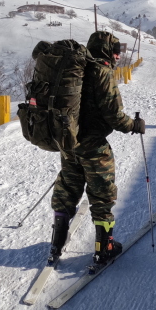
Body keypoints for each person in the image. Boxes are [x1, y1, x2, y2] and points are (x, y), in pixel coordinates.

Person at [49, 30, 145, 266]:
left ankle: (56, 245)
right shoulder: (102, 73)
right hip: (93, 147)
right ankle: (104, 248)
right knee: (102, 196)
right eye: (115, 52)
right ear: (108, 51)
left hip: (69, 143)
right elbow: (114, 116)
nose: (116, 58)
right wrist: (134, 125)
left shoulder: (76, 70)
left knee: (67, 191)